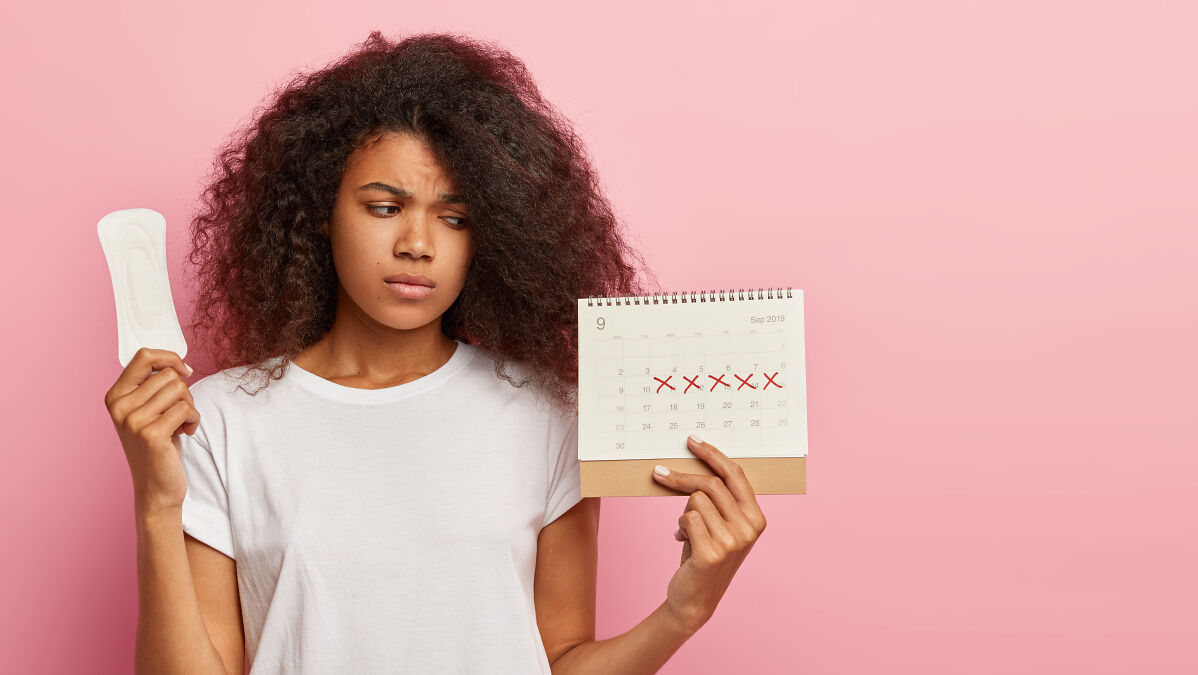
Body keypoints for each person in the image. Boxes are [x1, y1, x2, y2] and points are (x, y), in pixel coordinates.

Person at [103, 31, 768, 674]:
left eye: (455, 218)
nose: (418, 243)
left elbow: (562, 662)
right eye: (385, 206)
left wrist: (685, 609)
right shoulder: (218, 422)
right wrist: (158, 503)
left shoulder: (547, 412)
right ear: (320, 212)